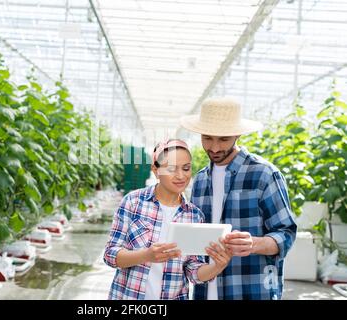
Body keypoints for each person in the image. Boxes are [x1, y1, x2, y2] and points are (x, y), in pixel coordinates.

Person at [180, 97, 297, 300]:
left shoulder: (264, 174)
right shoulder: (199, 180)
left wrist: (254, 244)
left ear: (238, 135)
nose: (214, 148)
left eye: (223, 139)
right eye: (207, 138)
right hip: (205, 291)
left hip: (249, 289)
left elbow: (286, 233)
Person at [103, 139, 232, 300]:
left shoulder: (194, 215)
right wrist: (146, 255)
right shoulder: (133, 202)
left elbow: (192, 270)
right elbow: (110, 255)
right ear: (156, 170)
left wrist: (217, 266)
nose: (181, 176)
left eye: (186, 168)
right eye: (171, 169)